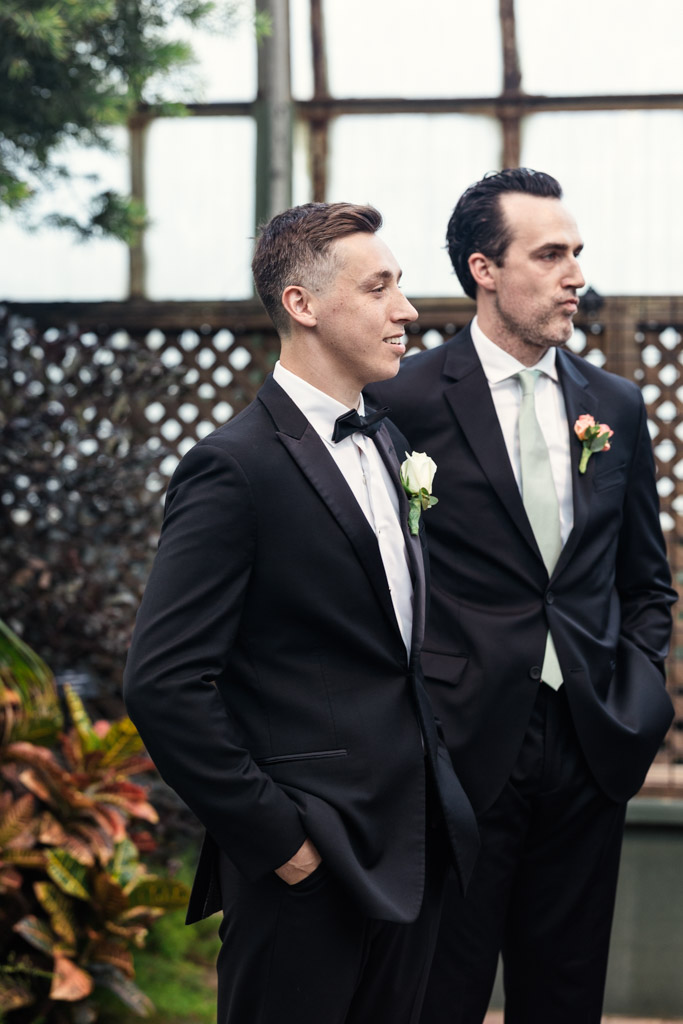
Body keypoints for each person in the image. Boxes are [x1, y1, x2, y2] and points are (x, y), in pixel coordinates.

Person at [123, 201, 479, 1024]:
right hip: (309, 867)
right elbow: (163, 682)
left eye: (402, 286)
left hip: (415, 850)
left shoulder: (389, 444)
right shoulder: (232, 467)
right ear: (302, 304)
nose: (408, 311)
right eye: (380, 287)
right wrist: (282, 847)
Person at [365, 168, 676, 1024]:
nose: (574, 273)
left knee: (565, 997)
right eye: (548, 254)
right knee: (439, 995)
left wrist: (635, 689)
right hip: (457, 752)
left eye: (576, 253)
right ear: (483, 270)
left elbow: (643, 577)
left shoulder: (612, 403)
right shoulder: (403, 401)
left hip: (588, 740)